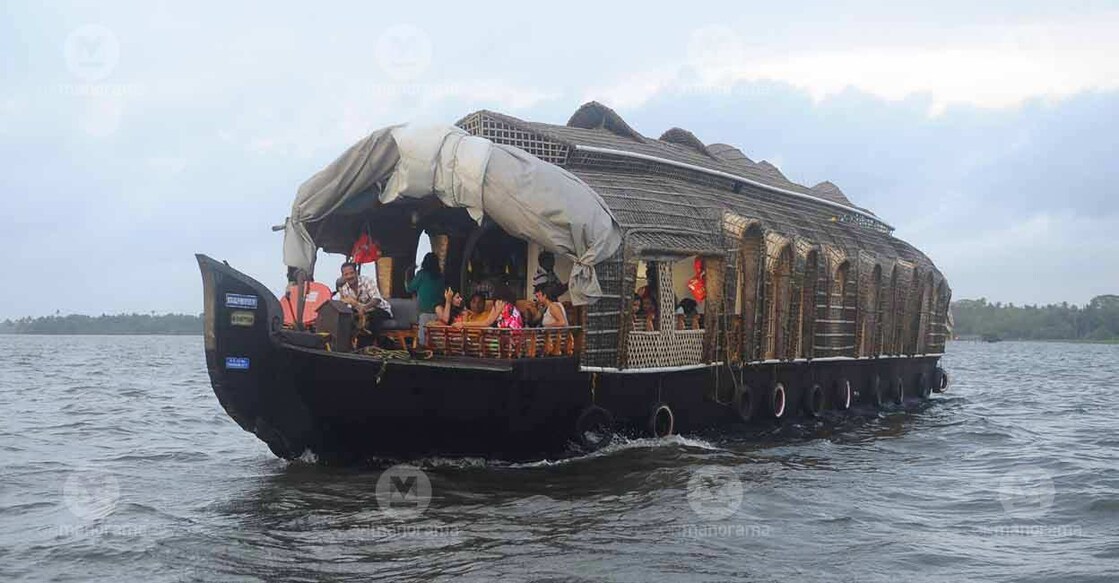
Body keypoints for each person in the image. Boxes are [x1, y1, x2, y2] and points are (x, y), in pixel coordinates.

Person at [338, 262, 393, 338]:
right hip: (361, 313)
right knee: (346, 318)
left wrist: (364, 308)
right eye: (346, 274)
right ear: (343, 276)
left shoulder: (367, 281)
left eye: (351, 273)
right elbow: (348, 307)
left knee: (371, 317)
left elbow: (376, 299)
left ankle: (372, 345)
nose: (349, 276)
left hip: (380, 309)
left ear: (356, 273)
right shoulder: (344, 289)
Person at [406, 252, 444, 346]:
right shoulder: (441, 277)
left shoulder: (422, 274)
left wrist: (407, 275)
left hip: (424, 312)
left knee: (422, 339)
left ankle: (422, 349)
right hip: (439, 313)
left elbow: (410, 288)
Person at [455, 285, 523, 329]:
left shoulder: (500, 303)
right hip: (516, 339)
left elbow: (487, 323)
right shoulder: (512, 307)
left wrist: (463, 324)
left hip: (506, 340)